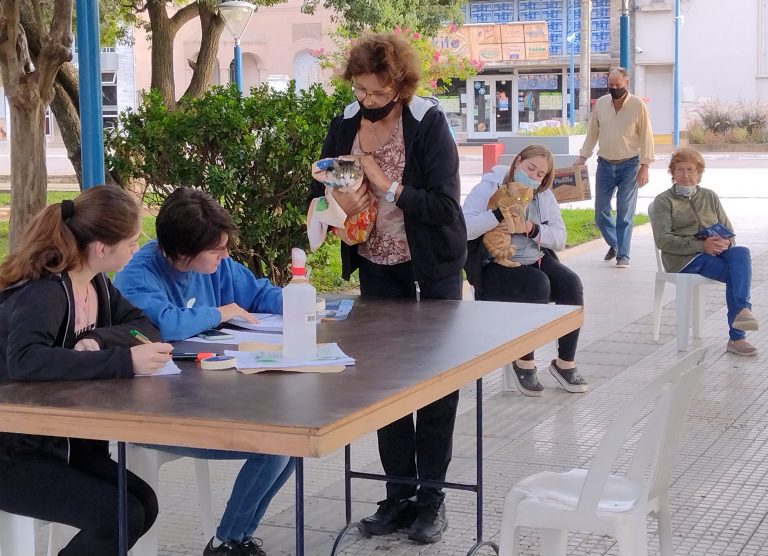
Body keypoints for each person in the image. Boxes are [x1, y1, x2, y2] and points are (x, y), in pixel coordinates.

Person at [308, 32, 466, 544]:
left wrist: (388, 186)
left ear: (400, 85)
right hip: (378, 265)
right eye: (360, 90)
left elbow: (444, 206)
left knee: (437, 383)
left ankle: (431, 500)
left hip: (432, 266)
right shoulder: (345, 122)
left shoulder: (427, 121)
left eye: (376, 93)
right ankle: (397, 495)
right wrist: (339, 206)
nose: (367, 101)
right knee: (386, 384)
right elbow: (322, 186)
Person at [114, 188, 293, 556]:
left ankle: (234, 538)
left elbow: (257, 293)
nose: (225, 256)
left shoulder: (216, 265)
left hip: (203, 396)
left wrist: (302, 301)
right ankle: (226, 543)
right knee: (274, 448)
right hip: (151, 412)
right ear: (182, 252)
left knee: (291, 440)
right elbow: (166, 324)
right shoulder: (138, 276)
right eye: (216, 250)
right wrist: (222, 311)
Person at [0, 185, 170, 555]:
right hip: (14, 452)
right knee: (116, 516)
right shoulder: (43, 292)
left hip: (61, 443)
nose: (135, 248)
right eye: (130, 241)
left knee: (144, 505)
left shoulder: (97, 286)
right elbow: (26, 360)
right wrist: (124, 361)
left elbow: (145, 327)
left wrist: (97, 340)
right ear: (101, 247)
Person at [463, 144, 588, 396]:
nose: (533, 176)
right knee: (537, 284)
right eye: (530, 168)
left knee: (571, 284)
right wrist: (497, 214)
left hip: (534, 257)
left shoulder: (544, 196)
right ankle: (523, 358)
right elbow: (463, 228)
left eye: (540, 174)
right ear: (518, 161)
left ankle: (565, 362)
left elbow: (560, 236)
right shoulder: (488, 187)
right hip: (493, 265)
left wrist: (531, 228)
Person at [651, 147, 759, 356]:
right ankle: (738, 334)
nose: (685, 175)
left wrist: (726, 243)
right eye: (679, 169)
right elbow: (663, 240)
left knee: (741, 253)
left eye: (690, 170)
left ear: (699, 173)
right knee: (735, 275)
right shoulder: (663, 200)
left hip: (715, 251)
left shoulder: (710, 196)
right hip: (684, 259)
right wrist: (702, 246)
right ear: (672, 173)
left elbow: (730, 232)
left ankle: (742, 313)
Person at [575, 67, 654, 268]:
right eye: (611, 85)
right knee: (601, 213)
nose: (615, 88)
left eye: (618, 85)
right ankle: (616, 243)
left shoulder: (638, 106)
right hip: (605, 165)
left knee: (625, 212)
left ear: (627, 83)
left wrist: (645, 166)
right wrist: (582, 157)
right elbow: (592, 132)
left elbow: (647, 136)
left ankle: (623, 255)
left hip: (630, 165)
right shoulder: (601, 104)